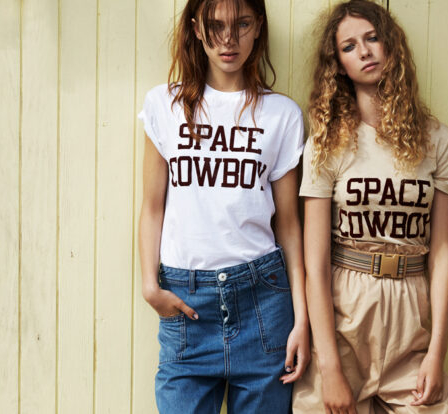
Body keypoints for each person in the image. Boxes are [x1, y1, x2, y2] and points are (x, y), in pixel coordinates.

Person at [292, 1, 448, 413]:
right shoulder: (325, 145)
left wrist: (437, 353)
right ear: (338, 65)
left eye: (372, 38)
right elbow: (315, 264)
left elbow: (441, 252)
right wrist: (329, 367)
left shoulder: (438, 141)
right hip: (344, 315)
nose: (365, 51)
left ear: (391, 45)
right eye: (349, 46)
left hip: (410, 315)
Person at [137, 0, 310, 412]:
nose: (228, 39)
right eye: (215, 25)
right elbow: (152, 206)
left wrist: (302, 319)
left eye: (242, 24)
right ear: (197, 28)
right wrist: (149, 286)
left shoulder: (282, 114)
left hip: (263, 302)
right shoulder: (165, 105)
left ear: (258, 26)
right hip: (186, 305)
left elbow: (289, 225)